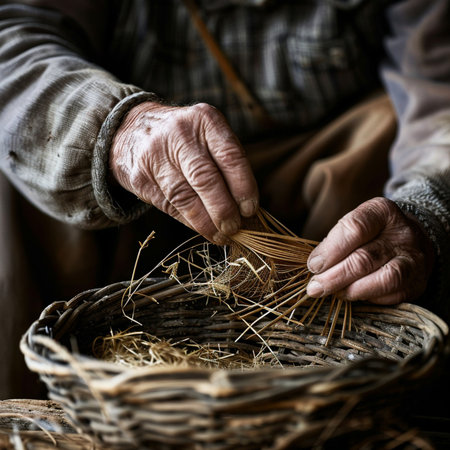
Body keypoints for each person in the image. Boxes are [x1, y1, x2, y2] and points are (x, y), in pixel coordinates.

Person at [0, 0, 449, 399]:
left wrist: (425, 210)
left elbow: (439, 93)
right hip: (136, 190)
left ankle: (338, 391)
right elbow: (12, 39)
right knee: (26, 163)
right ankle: (31, 415)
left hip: (322, 180)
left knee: (381, 132)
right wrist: (120, 131)